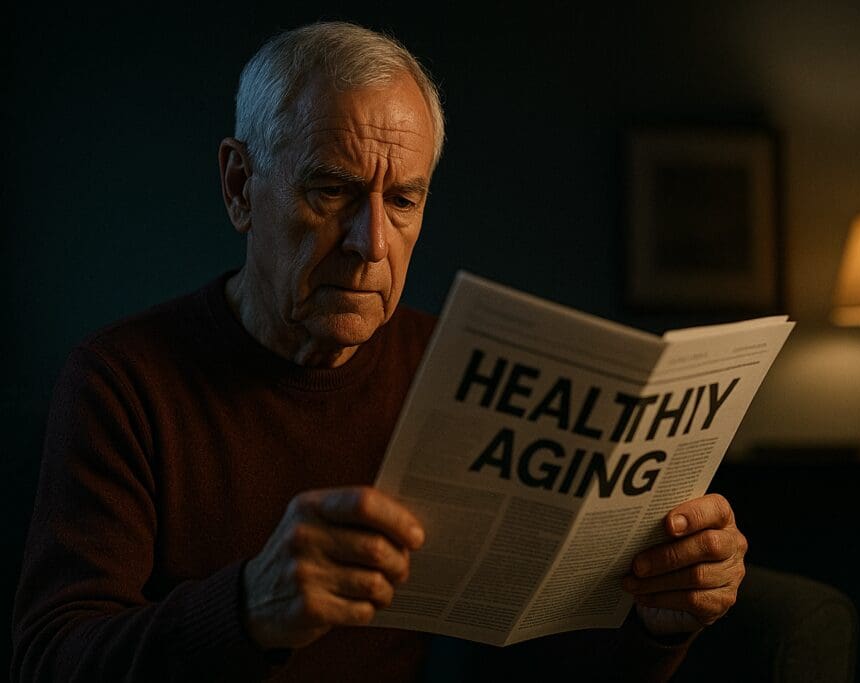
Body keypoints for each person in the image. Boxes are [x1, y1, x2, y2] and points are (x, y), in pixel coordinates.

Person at [11, 21, 747, 682]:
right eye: (331, 190)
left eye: (403, 200)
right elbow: (51, 658)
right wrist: (247, 607)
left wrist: (660, 622)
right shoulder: (121, 380)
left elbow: (542, 660)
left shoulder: (452, 366)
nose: (371, 244)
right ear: (240, 186)